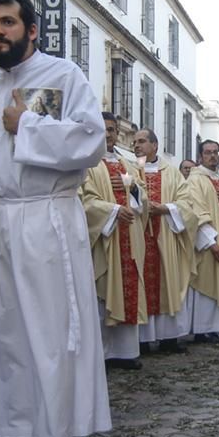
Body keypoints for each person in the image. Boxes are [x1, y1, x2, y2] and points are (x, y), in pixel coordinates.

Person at [0, 0, 109, 437]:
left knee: (48, 334)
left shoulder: (64, 75)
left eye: (8, 22)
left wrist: (26, 123)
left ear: (31, 30)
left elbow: (92, 141)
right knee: (5, 333)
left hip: (44, 216)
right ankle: (20, 431)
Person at [83, 113, 146, 369]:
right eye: (103, 129)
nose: (108, 134)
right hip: (105, 237)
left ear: (117, 133)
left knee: (128, 289)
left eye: (112, 130)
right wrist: (112, 211)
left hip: (130, 236)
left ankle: (126, 352)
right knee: (103, 290)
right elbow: (84, 200)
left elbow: (143, 197)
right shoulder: (87, 163)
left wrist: (134, 191)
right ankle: (103, 353)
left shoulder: (127, 164)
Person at [133, 128, 193, 354]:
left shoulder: (172, 173)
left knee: (167, 283)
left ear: (155, 145)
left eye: (142, 141)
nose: (137, 146)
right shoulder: (130, 169)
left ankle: (168, 337)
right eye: (135, 142)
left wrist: (166, 208)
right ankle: (142, 339)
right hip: (138, 236)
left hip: (166, 235)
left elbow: (187, 203)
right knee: (140, 284)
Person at [180, 140, 219, 343]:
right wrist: (209, 241)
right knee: (205, 282)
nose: (212, 156)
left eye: (216, 152)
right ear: (200, 156)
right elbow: (195, 211)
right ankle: (202, 328)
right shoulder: (195, 180)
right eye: (208, 152)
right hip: (208, 241)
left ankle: (215, 327)